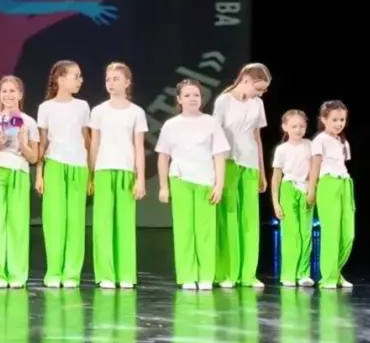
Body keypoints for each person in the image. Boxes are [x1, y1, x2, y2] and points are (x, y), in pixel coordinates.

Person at [157, 79, 230, 290]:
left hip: (206, 181)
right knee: (184, 229)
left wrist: (219, 184)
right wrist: (163, 186)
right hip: (180, 180)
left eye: (196, 95)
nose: (192, 98)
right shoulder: (171, 125)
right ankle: (187, 275)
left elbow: (219, 155)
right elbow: (163, 157)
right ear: (179, 99)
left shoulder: (210, 122)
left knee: (206, 230)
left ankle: (206, 276)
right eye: (187, 95)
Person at [89, 62, 148, 290]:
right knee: (103, 224)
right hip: (103, 170)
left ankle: (126, 274)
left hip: (126, 171)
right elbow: (94, 144)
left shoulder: (136, 112)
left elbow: (139, 147)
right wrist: (91, 174)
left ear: (127, 82)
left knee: (125, 224)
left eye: (116, 79)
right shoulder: (98, 111)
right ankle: (105, 274)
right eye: (108, 79)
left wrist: (140, 178)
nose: (111, 83)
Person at [213, 63, 271, 288]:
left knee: (249, 219)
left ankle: (248, 274)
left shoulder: (258, 104)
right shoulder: (224, 101)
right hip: (228, 162)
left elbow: (257, 137)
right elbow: (215, 135)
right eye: (259, 88)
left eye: (264, 90)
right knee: (228, 216)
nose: (261, 93)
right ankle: (228, 272)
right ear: (246, 79)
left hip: (250, 163)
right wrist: (216, 170)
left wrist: (262, 171)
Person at [36, 60, 91, 288]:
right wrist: (39, 173)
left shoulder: (83, 106)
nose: (80, 80)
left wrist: (91, 172)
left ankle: (71, 274)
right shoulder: (46, 107)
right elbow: (42, 142)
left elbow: (87, 140)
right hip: (54, 165)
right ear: (60, 78)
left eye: (80, 76)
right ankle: (54, 271)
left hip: (78, 165)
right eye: (75, 76)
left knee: (75, 220)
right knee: (54, 220)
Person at [0, 76, 39, 288]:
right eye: (4, 91)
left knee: (17, 224)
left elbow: (34, 157)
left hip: (19, 172)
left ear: (20, 94)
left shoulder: (29, 122)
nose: (8, 95)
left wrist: (22, 142)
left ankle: (17, 275)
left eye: (12, 91)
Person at [308, 100, 355, 289]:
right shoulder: (320, 140)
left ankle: (336, 272)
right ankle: (328, 277)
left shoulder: (343, 142)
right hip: (328, 184)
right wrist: (312, 190)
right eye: (334, 119)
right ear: (323, 119)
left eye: (342, 119)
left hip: (344, 184)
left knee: (348, 234)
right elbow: (315, 166)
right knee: (331, 233)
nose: (339, 123)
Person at [271, 109, 314, 287]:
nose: (298, 129)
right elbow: (276, 178)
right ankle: (288, 274)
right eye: (294, 126)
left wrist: (312, 190)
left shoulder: (310, 145)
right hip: (288, 189)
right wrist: (276, 202)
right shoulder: (282, 150)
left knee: (306, 232)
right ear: (285, 127)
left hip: (306, 190)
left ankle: (304, 273)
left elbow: (315, 170)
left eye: (301, 126)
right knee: (290, 233)